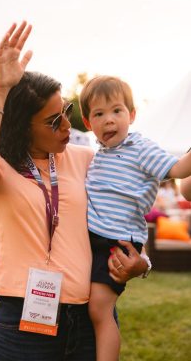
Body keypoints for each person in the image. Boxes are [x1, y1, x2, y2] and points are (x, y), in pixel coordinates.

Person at [0, 21, 149, 361]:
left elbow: (127, 208)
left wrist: (142, 262)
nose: (66, 126)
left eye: (66, 112)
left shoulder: (88, 159)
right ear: (21, 126)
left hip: (88, 319)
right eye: (51, 121)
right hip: (22, 324)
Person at [79, 75, 191, 361]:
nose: (109, 120)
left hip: (117, 242)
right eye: (99, 114)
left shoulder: (140, 147)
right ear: (88, 122)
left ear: (132, 115)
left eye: (117, 111)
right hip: (92, 238)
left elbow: (178, 170)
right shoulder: (99, 154)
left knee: (99, 310)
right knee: (87, 306)